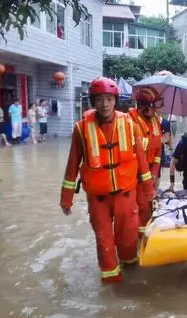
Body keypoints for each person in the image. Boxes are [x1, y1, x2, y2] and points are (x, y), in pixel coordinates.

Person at [60, 77, 155, 284]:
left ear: (115, 101)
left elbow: (141, 159)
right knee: (104, 240)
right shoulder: (81, 128)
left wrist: (149, 191)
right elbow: (72, 165)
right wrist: (66, 199)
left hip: (126, 193)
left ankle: (130, 268)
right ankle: (111, 284)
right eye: (100, 99)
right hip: (98, 198)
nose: (105, 105)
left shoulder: (130, 124)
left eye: (109, 100)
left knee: (129, 238)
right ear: (93, 101)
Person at [128, 86, 163, 234]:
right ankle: (133, 240)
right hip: (132, 177)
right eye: (154, 107)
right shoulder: (129, 123)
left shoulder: (155, 122)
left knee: (146, 209)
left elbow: (157, 151)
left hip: (149, 176)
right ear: (144, 108)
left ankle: (143, 239)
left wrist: (154, 173)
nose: (157, 110)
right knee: (132, 211)